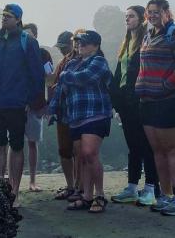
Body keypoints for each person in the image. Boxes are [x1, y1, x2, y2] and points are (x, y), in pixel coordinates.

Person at [0, 3, 46, 207]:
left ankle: (14, 192)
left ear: (18, 19)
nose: (4, 18)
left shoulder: (27, 41)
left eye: (9, 15)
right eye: (3, 15)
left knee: (16, 146)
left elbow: (36, 74)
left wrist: (33, 101)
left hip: (16, 103)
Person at [134, 0, 175, 216]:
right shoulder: (149, 35)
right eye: (149, 12)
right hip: (149, 100)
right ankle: (166, 196)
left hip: (173, 100)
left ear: (167, 12)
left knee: (174, 148)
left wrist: (164, 86)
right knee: (158, 150)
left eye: (156, 11)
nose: (152, 15)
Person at [48, 30, 113, 213]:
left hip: (96, 113)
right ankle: (87, 196)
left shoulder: (99, 61)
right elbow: (60, 89)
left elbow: (85, 78)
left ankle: (100, 195)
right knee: (82, 156)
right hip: (75, 116)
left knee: (90, 153)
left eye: (84, 42)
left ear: (96, 45)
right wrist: (52, 109)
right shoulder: (72, 63)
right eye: (78, 42)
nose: (79, 45)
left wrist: (63, 76)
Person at [109, 5, 159, 207]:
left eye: (131, 16)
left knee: (147, 145)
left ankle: (151, 188)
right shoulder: (126, 42)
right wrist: (115, 102)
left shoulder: (146, 41)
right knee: (133, 146)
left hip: (141, 100)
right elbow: (119, 73)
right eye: (126, 16)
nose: (127, 19)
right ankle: (131, 187)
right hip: (125, 103)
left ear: (141, 19)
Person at [49, 30, 81, 201]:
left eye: (64, 46)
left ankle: (79, 186)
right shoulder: (62, 62)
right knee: (64, 150)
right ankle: (70, 185)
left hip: (76, 111)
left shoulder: (80, 59)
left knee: (78, 150)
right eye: (60, 47)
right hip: (61, 111)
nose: (62, 50)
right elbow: (53, 82)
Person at [22, 22, 54, 192]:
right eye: (24, 35)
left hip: (36, 105)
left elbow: (50, 78)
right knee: (13, 144)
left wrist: (49, 104)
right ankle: (9, 179)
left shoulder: (43, 54)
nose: (27, 38)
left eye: (29, 34)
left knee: (32, 142)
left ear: (35, 35)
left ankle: (32, 181)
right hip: (17, 105)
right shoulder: (15, 52)